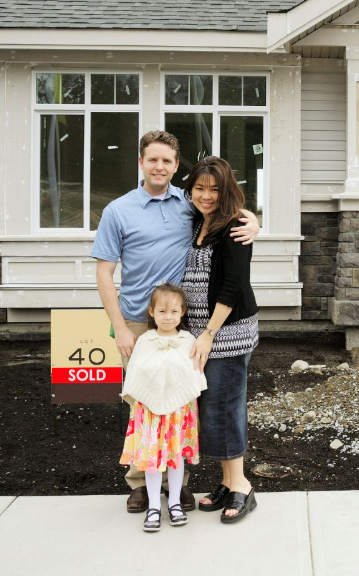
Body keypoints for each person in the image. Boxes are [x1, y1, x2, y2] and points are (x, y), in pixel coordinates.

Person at [91, 130, 259, 514]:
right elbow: (104, 274)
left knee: (185, 401)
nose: (160, 166)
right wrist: (118, 327)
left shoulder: (186, 204)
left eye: (167, 160)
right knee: (143, 405)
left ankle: (179, 482)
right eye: (153, 159)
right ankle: (140, 483)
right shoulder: (119, 210)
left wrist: (254, 223)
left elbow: (226, 208)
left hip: (185, 324)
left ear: (174, 165)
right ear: (141, 162)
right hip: (137, 321)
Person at [182, 157, 260, 523]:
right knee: (212, 408)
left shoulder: (235, 226)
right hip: (202, 333)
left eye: (214, 189)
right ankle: (228, 481)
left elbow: (232, 286)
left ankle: (241, 485)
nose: (207, 195)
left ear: (226, 189)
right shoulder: (199, 221)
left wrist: (210, 334)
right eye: (200, 188)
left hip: (225, 333)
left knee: (225, 407)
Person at [120, 284, 206, 532]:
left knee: (176, 457)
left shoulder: (188, 340)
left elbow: (193, 374)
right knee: (152, 459)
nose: (168, 317)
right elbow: (136, 373)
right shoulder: (145, 340)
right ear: (151, 312)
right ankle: (155, 506)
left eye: (174, 311)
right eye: (162, 311)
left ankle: (176, 503)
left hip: (179, 413)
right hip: (150, 413)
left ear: (182, 313)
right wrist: (144, 399)